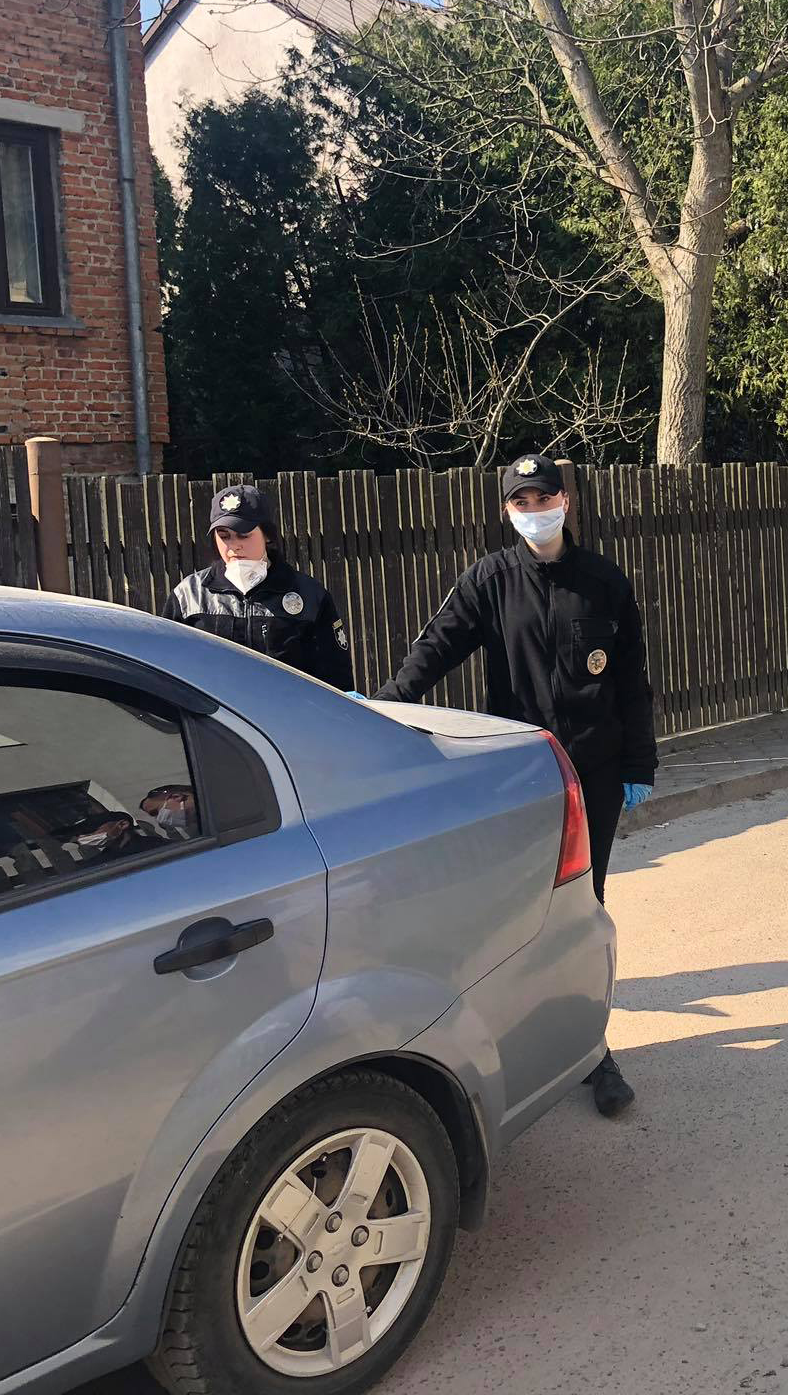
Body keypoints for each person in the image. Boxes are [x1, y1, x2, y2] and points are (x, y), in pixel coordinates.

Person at [375, 452, 656, 1118]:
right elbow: (436, 647)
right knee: (515, 914)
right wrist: (384, 707)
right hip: (523, 776)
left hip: (593, 771)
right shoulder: (489, 580)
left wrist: (638, 765)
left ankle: (592, 1047)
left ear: (566, 501)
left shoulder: (604, 581)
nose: (535, 511)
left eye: (544, 498)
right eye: (521, 502)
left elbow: (631, 680)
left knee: (583, 908)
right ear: (507, 510)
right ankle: (523, 1040)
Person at [163, 485, 353, 691]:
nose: (234, 545)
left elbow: (336, 679)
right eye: (224, 535)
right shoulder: (189, 595)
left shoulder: (309, 595)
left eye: (244, 534)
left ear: (267, 535)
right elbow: (167, 670)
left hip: (286, 711)